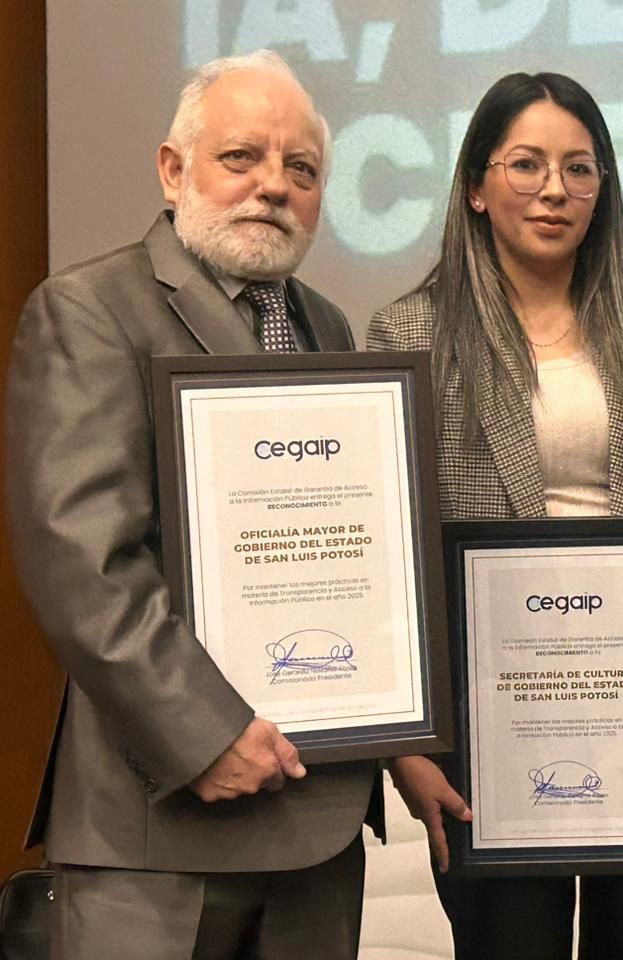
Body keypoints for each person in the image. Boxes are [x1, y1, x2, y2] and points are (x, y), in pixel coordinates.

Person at [366, 72, 623, 960]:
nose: (554, 190)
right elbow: (389, 558)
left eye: (579, 169)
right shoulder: (409, 333)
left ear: (602, 188)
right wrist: (405, 744)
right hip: (490, 724)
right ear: (476, 184)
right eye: (527, 164)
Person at [4, 51, 377, 959]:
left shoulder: (326, 325)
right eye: (241, 157)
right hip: (156, 825)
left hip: (316, 820)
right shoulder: (89, 309)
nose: (274, 187)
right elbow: (84, 562)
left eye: (302, 170)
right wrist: (206, 734)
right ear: (173, 171)